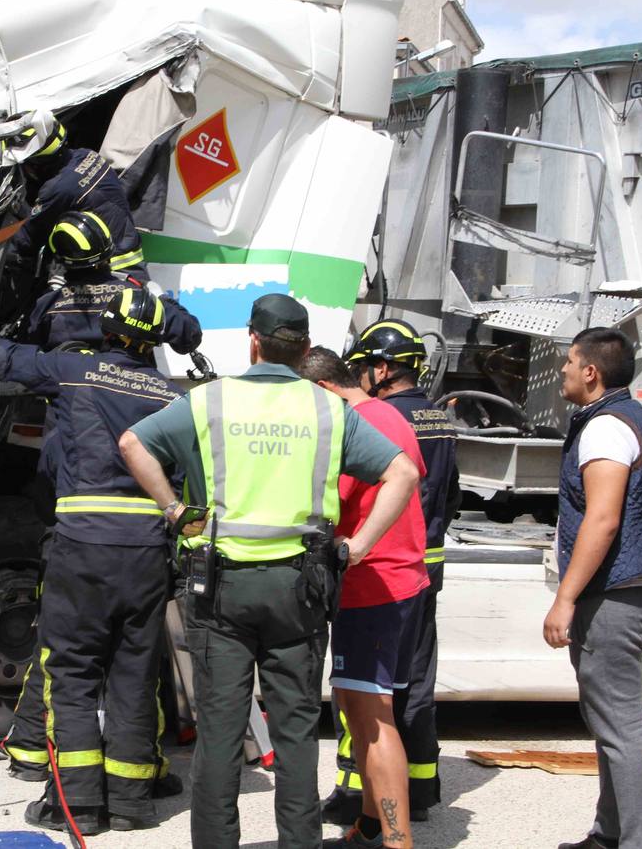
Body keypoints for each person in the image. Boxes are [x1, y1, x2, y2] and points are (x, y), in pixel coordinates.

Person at [119, 294, 420, 849]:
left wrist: (175, 511)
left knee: (219, 734)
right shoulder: (329, 409)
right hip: (299, 590)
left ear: (252, 341)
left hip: (220, 591)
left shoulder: (209, 403)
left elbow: (132, 443)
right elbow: (402, 472)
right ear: (303, 348)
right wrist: (356, 547)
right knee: (297, 733)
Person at [0, 287, 185, 834]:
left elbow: (5, 360)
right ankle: (133, 800)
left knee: (70, 671)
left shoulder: (75, 370)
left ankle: (80, 806)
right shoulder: (169, 395)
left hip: (82, 545)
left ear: (107, 331)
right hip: (146, 551)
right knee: (134, 672)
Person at [547, 327, 642, 849]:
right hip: (626, 591)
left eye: (568, 362)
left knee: (619, 727)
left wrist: (564, 598)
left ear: (591, 371)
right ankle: (608, 834)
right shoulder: (627, 418)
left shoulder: (606, 428)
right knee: (609, 722)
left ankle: (632, 841)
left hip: (613, 595)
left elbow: (602, 520)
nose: (562, 370)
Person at [328, 318, 459, 823]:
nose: (360, 378)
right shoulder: (439, 418)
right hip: (427, 567)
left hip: (383, 565)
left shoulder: (378, 417)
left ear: (381, 368)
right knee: (414, 682)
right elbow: (450, 495)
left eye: (362, 368)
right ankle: (420, 792)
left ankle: (354, 796)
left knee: (366, 694)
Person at [299, 348, 430, 849]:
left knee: (371, 717)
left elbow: (328, 500)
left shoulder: (352, 426)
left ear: (325, 391)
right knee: (361, 707)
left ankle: (397, 840)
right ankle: (373, 824)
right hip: (403, 578)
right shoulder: (390, 416)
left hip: (372, 582)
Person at [24, 210, 201, 354]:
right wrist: (161, 298)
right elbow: (190, 336)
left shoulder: (47, 306)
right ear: (108, 250)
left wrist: (53, 293)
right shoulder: (137, 299)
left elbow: (29, 349)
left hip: (68, 395)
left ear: (61, 259)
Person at [7, 111, 147, 276]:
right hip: (132, 260)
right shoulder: (87, 155)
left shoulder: (58, 188)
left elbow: (29, 237)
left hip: (108, 271)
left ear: (39, 163)